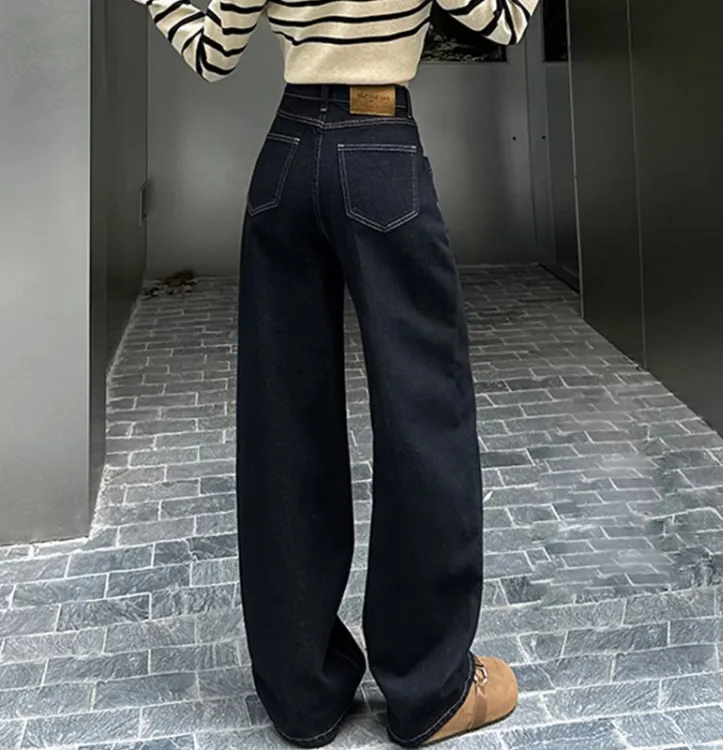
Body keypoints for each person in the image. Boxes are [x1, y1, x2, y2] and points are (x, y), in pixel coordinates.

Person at [134, 0, 538, 746]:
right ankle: (432, 690)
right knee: (426, 412)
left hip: (286, 154)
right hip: (380, 146)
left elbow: (214, 53)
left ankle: (304, 695)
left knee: (282, 423)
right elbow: (503, 19)